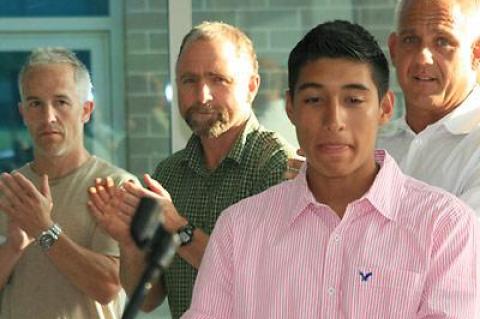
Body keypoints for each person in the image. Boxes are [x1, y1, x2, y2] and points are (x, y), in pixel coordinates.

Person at [182, 20, 480, 319]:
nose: (333, 119)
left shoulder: (444, 228)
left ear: (385, 108)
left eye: (353, 100)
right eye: (314, 100)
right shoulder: (239, 229)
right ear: (291, 108)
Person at [88, 21, 295, 318]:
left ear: (251, 86)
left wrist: (178, 228)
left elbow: (262, 282)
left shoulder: (277, 166)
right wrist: (129, 242)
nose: (202, 96)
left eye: (218, 80)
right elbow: (148, 299)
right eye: (188, 80)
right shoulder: (170, 173)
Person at [0, 48, 136, 319]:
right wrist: (14, 246)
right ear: (23, 113)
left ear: (86, 110)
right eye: (35, 104)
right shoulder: (10, 190)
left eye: (61, 102)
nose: (48, 117)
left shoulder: (117, 187)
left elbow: (108, 285)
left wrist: (44, 229)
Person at [377, 0, 480, 213]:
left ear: (476, 53)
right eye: (411, 40)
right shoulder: (372, 143)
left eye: (442, 41)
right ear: (394, 49)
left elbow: (460, 244)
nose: (423, 58)